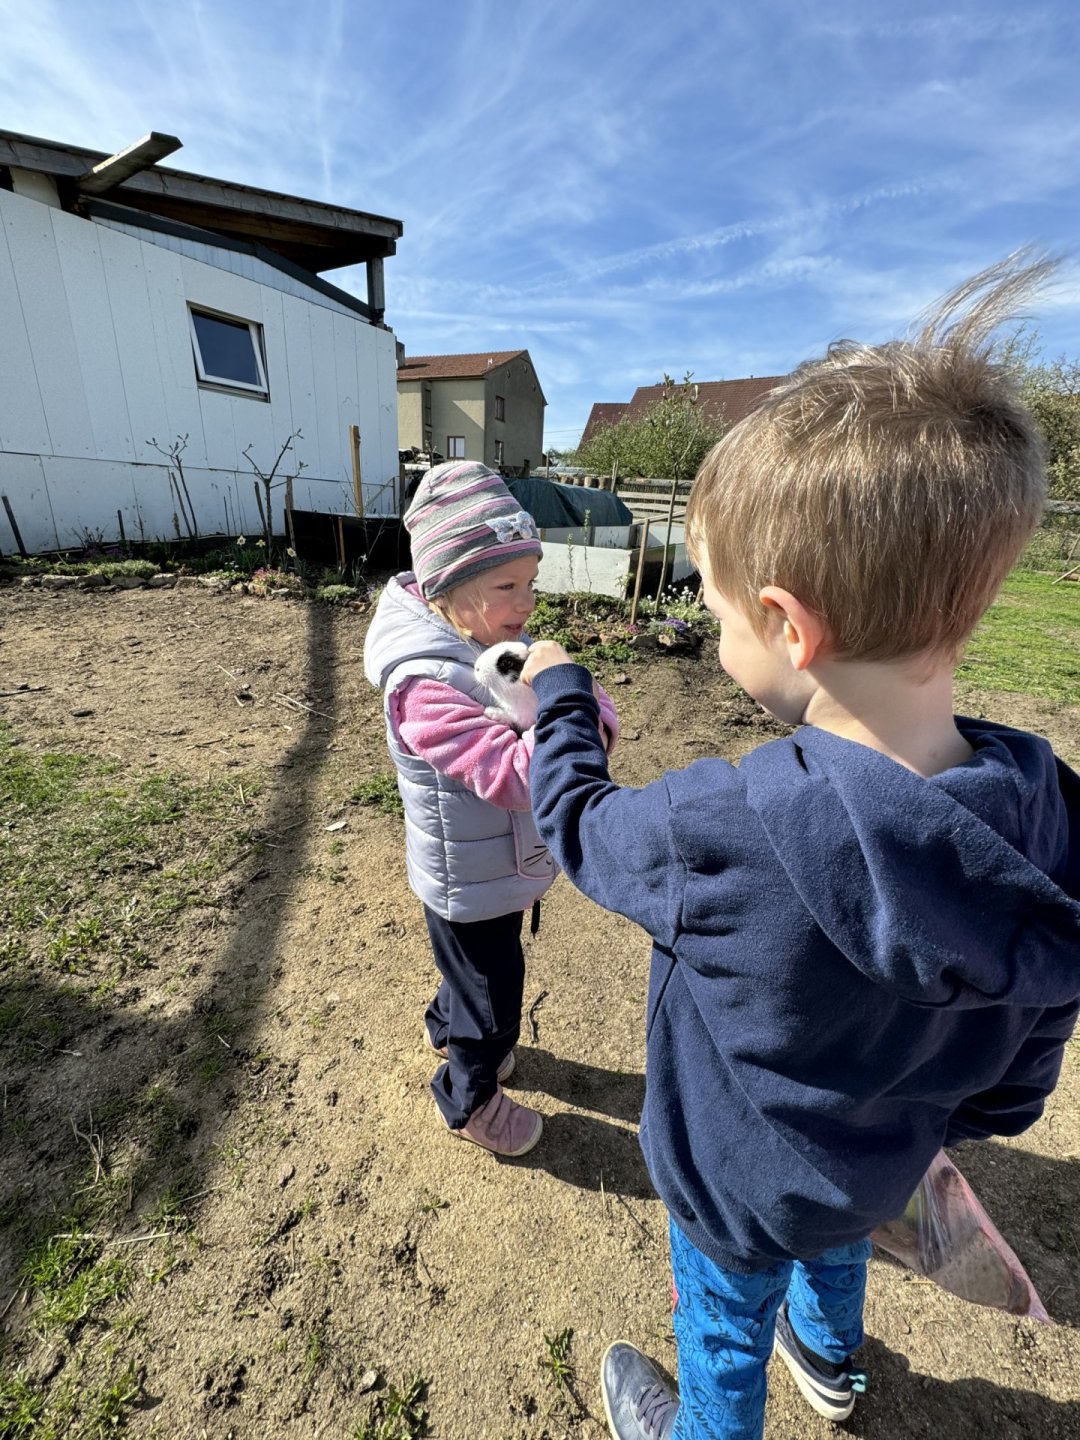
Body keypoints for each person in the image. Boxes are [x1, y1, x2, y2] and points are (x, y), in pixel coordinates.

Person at [521, 255, 1080, 1439]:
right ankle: (830, 1364)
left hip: (734, 1185)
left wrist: (560, 700)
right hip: (878, 1169)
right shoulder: (1049, 824)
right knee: (841, 1250)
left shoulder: (724, 826)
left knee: (722, 1330)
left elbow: (579, 828)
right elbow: (1027, 1066)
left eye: (718, 606)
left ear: (785, 624)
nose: (715, 621)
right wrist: (932, 1134)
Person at [363, 460, 619, 1158]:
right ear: (444, 587)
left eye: (531, 582)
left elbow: (573, 704)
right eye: (507, 586)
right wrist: (572, 711)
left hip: (495, 866)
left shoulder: (492, 639)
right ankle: (469, 1098)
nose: (527, 602)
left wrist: (574, 698)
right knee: (493, 999)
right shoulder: (421, 686)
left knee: (469, 976)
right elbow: (513, 776)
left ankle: (444, 1026)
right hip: (469, 883)